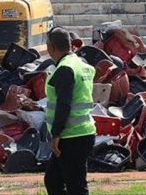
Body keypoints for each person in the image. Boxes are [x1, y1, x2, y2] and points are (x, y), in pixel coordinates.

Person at [43, 26, 96, 195]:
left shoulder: (65, 69)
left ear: (51, 47)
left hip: (71, 135)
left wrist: (56, 134)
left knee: (76, 187)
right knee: (53, 181)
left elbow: (64, 104)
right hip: (80, 133)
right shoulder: (81, 64)